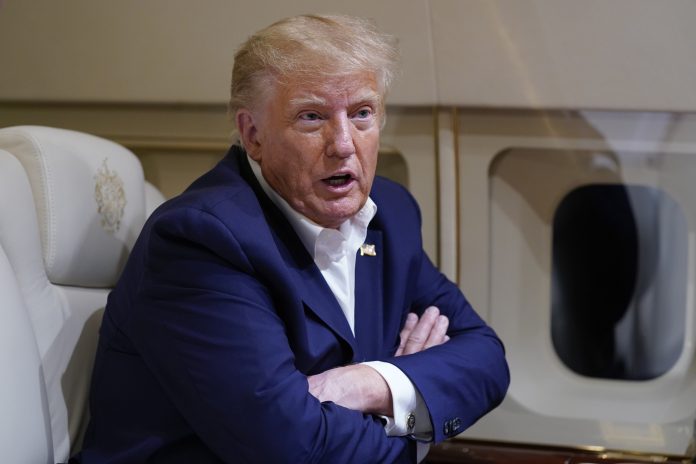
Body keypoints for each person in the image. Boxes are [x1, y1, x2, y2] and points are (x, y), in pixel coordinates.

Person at [74, 14, 509, 463]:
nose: (344, 144)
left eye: (362, 113)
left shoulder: (391, 214)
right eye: (312, 117)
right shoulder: (201, 241)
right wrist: (416, 416)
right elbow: (291, 448)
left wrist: (371, 383)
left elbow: (485, 358)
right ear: (253, 135)